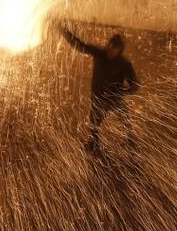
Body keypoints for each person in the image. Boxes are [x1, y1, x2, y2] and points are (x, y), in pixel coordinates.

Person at [59, 24, 140, 152]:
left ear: (120, 50)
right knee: (94, 122)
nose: (112, 51)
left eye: (116, 49)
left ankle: (130, 140)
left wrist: (121, 91)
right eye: (112, 47)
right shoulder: (99, 53)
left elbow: (135, 85)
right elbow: (80, 45)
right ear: (108, 45)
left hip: (114, 98)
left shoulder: (124, 64)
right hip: (99, 97)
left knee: (125, 120)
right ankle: (93, 142)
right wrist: (65, 33)